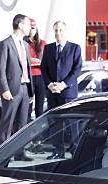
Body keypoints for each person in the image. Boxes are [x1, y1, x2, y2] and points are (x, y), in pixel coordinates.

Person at [40, 20, 82, 159]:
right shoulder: (48, 48)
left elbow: (76, 70)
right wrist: (49, 84)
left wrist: (63, 84)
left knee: (72, 122)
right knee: (55, 122)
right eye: (56, 30)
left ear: (65, 31)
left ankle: (77, 151)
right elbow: (44, 68)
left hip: (68, 92)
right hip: (52, 92)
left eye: (60, 30)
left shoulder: (75, 48)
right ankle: (58, 150)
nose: (58, 33)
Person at [0, 13, 33, 159]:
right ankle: (2, 155)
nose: (30, 27)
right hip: (11, 89)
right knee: (7, 122)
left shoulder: (25, 45)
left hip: (25, 87)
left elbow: (27, 68)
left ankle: (19, 153)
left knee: (23, 123)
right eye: (28, 24)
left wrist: (31, 91)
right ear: (20, 25)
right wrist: (4, 89)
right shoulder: (5, 44)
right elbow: (0, 69)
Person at [27, 18, 46, 121]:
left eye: (33, 28)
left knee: (39, 108)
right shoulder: (23, 43)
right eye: (30, 28)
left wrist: (38, 61)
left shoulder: (42, 43)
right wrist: (31, 61)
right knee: (27, 108)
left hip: (40, 77)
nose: (32, 30)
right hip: (28, 77)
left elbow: (45, 61)